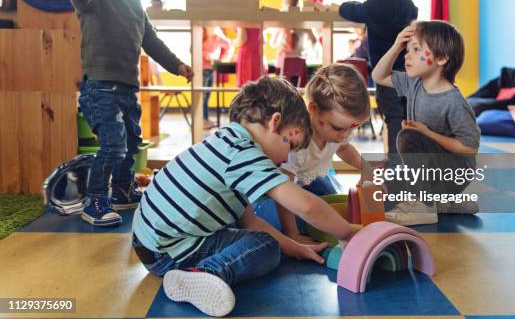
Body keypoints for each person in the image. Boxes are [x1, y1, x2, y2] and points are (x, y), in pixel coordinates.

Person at [131, 77, 359, 317]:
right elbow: (306, 206)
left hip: (148, 241)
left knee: (261, 237)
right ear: (275, 122)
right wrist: (348, 232)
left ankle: (198, 271)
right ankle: (207, 273)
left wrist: (294, 247)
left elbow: (250, 222)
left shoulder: (226, 141)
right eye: (290, 144)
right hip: (169, 252)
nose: (287, 157)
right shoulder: (245, 154)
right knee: (266, 246)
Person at [69, 0, 193, 227]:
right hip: (100, 88)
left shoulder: (135, 2)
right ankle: (96, 199)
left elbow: (151, 41)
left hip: (127, 89)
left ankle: (123, 192)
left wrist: (176, 65)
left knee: (132, 144)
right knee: (113, 145)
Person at [372, 21, 480, 225]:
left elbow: (470, 148)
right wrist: (396, 45)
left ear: (441, 58)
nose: (407, 55)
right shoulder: (413, 83)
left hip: (454, 173)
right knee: (385, 193)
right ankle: (444, 202)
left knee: (408, 137)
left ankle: (423, 206)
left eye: (416, 49)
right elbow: (379, 76)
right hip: (430, 173)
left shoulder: (453, 101)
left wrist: (427, 133)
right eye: (407, 49)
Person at [254, 64, 370, 242]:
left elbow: (345, 148)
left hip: (304, 182)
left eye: (352, 128)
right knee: (309, 220)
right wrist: (293, 235)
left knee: (333, 211)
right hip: (269, 196)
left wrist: (368, 168)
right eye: (339, 128)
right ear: (314, 110)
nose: (345, 135)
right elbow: (283, 190)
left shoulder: (336, 132)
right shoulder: (295, 140)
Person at [339, 0, 418, 153]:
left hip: (385, 73)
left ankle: (396, 163)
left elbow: (349, 10)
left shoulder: (373, 7)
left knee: (392, 117)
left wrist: (343, 5)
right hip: (408, 72)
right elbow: (414, 15)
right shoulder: (408, 5)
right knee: (408, 116)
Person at [202, 27, 231, 130]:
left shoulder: (217, 38)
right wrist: (211, 56)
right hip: (202, 69)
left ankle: (205, 119)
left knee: (207, 96)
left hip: (210, 69)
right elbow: (195, 50)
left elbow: (228, 45)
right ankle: (203, 120)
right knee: (203, 96)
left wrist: (224, 57)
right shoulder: (202, 35)